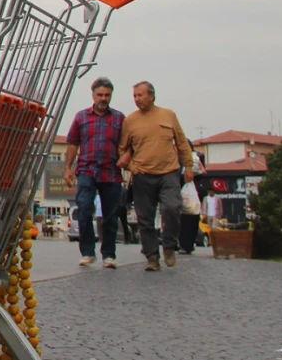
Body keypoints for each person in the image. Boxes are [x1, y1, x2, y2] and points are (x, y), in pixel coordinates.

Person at [117, 81, 194, 271]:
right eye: (134, 96)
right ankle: (152, 257)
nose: (137, 99)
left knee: (172, 207)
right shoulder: (130, 121)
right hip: (142, 175)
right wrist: (132, 167)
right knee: (145, 218)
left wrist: (189, 166)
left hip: (169, 172)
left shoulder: (168, 115)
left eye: (140, 95)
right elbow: (122, 148)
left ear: (152, 96)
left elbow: (182, 142)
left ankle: (169, 245)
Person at [64, 77, 125, 268]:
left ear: (111, 96)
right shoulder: (81, 117)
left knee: (110, 216)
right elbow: (73, 143)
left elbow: (127, 144)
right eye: (100, 95)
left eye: (107, 95)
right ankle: (88, 252)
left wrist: (127, 160)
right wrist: (67, 167)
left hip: (111, 171)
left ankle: (109, 254)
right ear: (93, 95)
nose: (103, 98)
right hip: (86, 170)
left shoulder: (119, 118)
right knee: (84, 210)